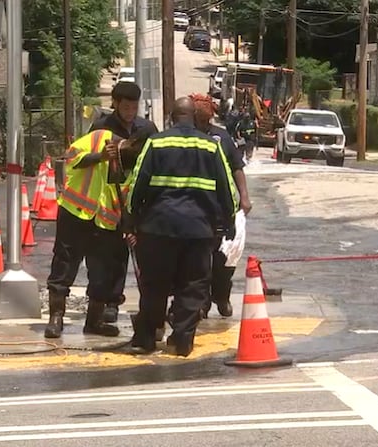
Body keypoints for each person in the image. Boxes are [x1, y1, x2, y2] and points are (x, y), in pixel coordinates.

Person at [124, 97, 237, 356]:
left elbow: (137, 184)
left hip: (157, 228)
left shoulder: (156, 142)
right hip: (198, 230)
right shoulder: (210, 146)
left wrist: (130, 219)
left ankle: (148, 337)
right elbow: (227, 188)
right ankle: (182, 339)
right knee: (193, 285)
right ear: (195, 118)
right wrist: (229, 221)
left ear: (171, 117)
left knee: (154, 284)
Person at [44, 128, 150, 339]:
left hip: (105, 224)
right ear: (132, 141)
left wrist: (130, 226)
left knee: (103, 273)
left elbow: (129, 199)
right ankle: (56, 318)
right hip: (75, 213)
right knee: (64, 266)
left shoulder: (135, 166)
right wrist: (99, 157)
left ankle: (94, 321)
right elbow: (71, 158)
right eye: (138, 150)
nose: (139, 156)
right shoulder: (99, 138)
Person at [88, 81, 159, 324]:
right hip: (111, 201)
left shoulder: (147, 129)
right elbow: (86, 157)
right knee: (113, 255)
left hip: (139, 201)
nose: (130, 112)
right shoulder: (101, 128)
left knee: (146, 256)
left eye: (134, 107)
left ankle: (149, 306)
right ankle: (111, 301)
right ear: (116, 104)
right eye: (126, 106)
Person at [189, 93, 252, 318]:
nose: (204, 123)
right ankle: (202, 302)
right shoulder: (187, 136)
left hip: (221, 208)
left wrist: (244, 197)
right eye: (199, 119)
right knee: (198, 260)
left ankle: (222, 296)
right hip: (195, 210)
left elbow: (237, 167)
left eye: (207, 119)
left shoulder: (222, 137)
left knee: (224, 259)